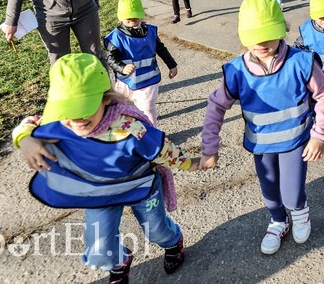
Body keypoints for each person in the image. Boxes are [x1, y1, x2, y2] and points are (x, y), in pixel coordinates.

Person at [13, 53, 199, 282]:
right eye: (67, 110)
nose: (75, 119)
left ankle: (173, 242)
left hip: (140, 186)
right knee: (99, 249)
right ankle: (119, 262)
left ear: (106, 99)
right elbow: (28, 123)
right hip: (98, 192)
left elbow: (163, 150)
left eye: (84, 108)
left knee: (157, 231)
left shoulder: (130, 128)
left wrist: (193, 163)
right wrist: (25, 139)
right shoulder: (58, 121)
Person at [200, 0, 324, 255]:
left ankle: (299, 210)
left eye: (268, 34)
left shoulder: (301, 62)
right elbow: (216, 106)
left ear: (282, 29)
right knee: (269, 189)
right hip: (261, 145)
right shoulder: (236, 71)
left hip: (295, 142)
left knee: (292, 191)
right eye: (253, 36)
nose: (260, 42)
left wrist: (319, 134)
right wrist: (209, 147)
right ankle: (278, 220)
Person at [104, 0, 178, 125]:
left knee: (148, 109)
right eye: (128, 21)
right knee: (120, 108)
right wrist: (122, 67)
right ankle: (124, 130)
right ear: (121, 18)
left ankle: (151, 133)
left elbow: (161, 49)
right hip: (124, 82)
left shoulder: (150, 31)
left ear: (141, 16)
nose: (132, 24)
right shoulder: (116, 37)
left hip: (147, 81)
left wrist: (172, 65)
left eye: (135, 20)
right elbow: (110, 58)